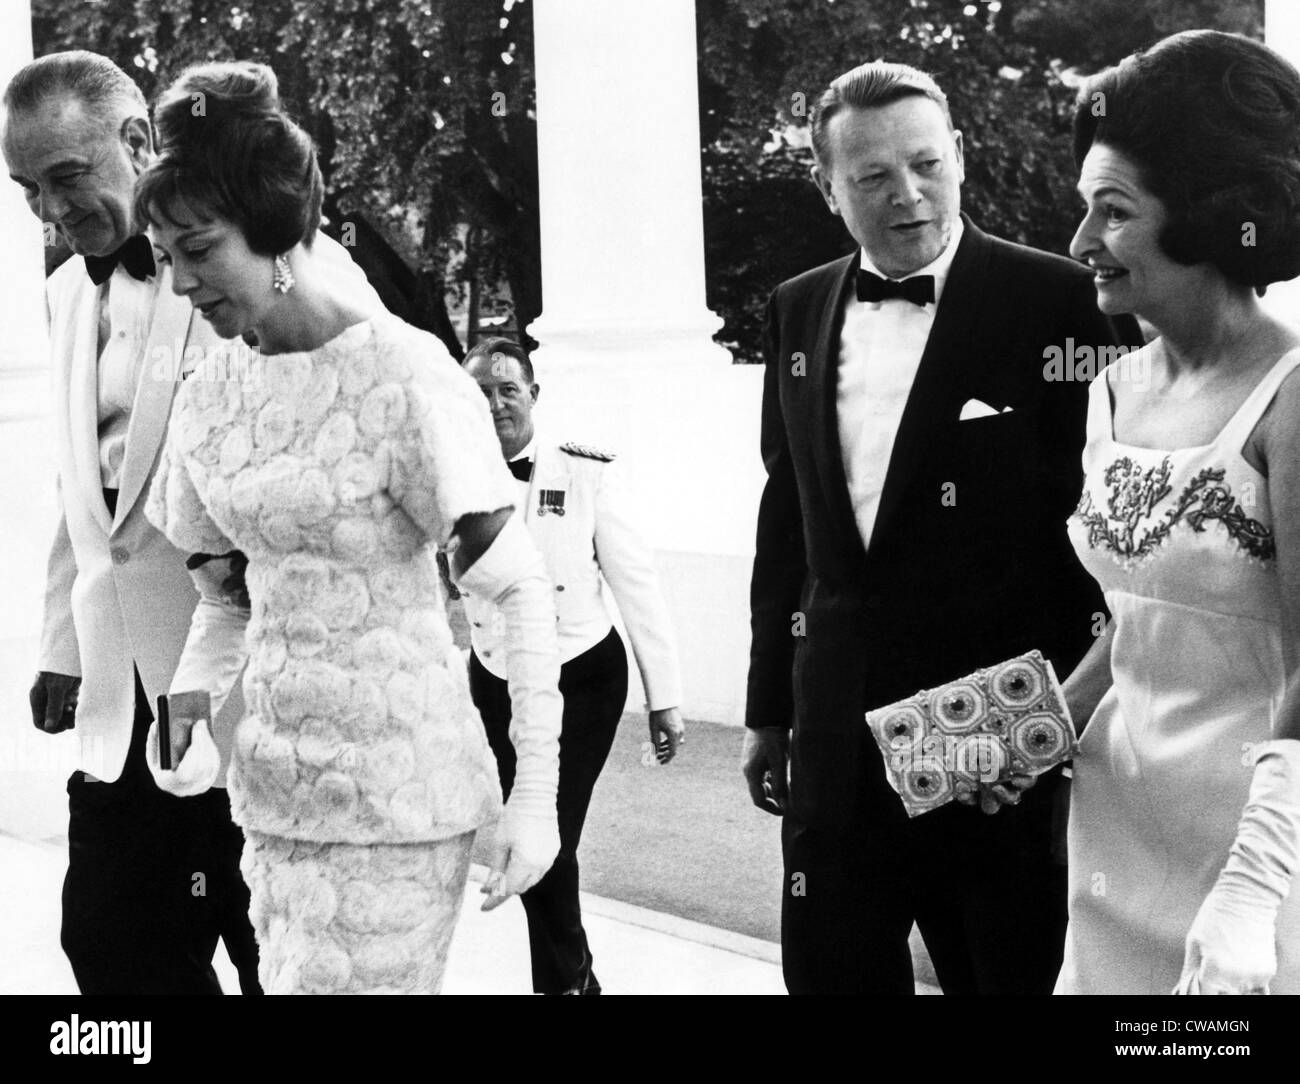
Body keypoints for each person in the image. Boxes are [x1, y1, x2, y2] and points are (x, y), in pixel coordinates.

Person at [134, 61, 563, 994]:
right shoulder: (210, 397)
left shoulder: (404, 377)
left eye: (199, 250)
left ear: (279, 235)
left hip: (402, 797)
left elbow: (521, 591)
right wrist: (182, 712)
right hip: (276, 798)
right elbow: (227, 602)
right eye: (165, 257)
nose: (181, 283)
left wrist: (536, 798)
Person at [741, 60, 1143, 995]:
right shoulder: (796, 309)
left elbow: (1106, 543)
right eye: (873, 177)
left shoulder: (1065, 304)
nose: (907, 195)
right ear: (827, 186)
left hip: (996, 745)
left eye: (926, 164)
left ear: (959, 155)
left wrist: (1055, 728)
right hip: (835, 742)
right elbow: (787, 517)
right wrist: (770, 706)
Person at [0, 49, 278, 994]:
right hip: (116, 708)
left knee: (276, 956)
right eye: (27, 189)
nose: (48, 212)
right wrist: (61, 643)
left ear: (137, 141)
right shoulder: (62, 294)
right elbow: (86, 486)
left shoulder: (241, 263)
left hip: (239, 703)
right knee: (111, 953)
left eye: (66, 180)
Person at [1058, 29, 1300, 995]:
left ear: (1207, 217)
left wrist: (1253, 892)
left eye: (1112, 214)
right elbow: (1140, 623)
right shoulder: (1110, 390)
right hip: (1115, 829)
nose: (1081, 246)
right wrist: (1028, 729)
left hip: (1259, 861)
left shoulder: (1290, 394)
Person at [461, 337, 686, 994]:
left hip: (580, 677)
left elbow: (634, 582)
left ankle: (562, 985)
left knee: (545, 831)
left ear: (535, 396)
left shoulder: (581, 469)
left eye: (509, 389)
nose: (496, 403)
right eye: (481, 391)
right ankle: (575, 979)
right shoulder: (441, 474)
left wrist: (663, 697)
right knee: (533, 838)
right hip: (499, 678)